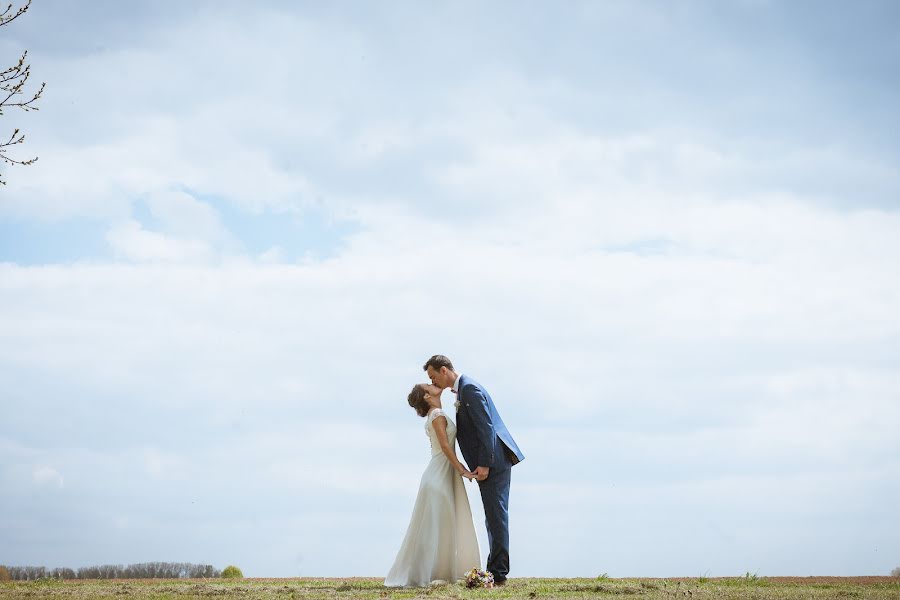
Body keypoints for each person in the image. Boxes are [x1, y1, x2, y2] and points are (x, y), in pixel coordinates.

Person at [424, 355, 524, 586]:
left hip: (493, 462)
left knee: (496, 516)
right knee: (492, 516)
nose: (433, 381)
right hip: (489, 461)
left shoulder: (469, 389)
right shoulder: (462, 391)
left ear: (444, 370)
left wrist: (485, 463)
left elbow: (486, 427)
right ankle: (494, 570)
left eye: (433, 376)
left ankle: (498, 574)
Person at [384, 383, 481, 587]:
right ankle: (427, 572)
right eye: (428, 385)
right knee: (435, 526)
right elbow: (445, 447)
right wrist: (462, 470)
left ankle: (440, 570)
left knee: (439, 525)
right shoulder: (437, 414)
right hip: (439, 475)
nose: (433, 384)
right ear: (427, 396)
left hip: (439, 473)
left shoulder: (437, 413)